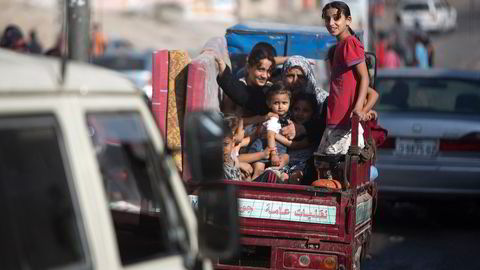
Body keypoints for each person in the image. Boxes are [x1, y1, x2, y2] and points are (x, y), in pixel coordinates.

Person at [317, 1, 369, 161]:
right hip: (336, 118)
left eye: (336, 18)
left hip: (343, 121)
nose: (331, 23)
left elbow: (364, 77)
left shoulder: (349, 43)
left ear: (348, 20)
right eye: (327, 19)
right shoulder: (340, 45)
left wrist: (359, 108)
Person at [247, 82, 291, 180]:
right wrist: (274, 154)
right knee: (258, 171)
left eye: (284, 103)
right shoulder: (273, 118)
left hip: (269, 149)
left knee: (260, 171)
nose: (280, 106)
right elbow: (270, 135)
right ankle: (253, 191)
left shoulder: (285, 120)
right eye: (276, 103)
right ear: (269, 103)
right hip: (263, 148)